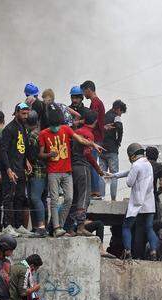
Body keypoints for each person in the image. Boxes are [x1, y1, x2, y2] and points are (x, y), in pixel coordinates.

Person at [38, 104, 101, 237]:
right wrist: (49, 155)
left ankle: (59, 225)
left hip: (67, 171)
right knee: (54, 200)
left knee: (69, 198)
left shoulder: (66, 129)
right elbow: (41, 154)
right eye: (53, 125)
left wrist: (92, 144)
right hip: (53, 171)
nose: (56, 127)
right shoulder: (43, 133)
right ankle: (56, 228)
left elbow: (79, 139)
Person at [107, 143, 158, 259]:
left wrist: (116, 177)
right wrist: (114, 175)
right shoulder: (148, 164)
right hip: (149, 203)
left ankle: (128, 252)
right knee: (149, 228)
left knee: (126, 227)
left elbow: (129, 182)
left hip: (137, 202)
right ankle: (153, 252)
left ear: (132, 155)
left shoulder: (136, 165)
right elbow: (129, 171)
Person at [69, 110, 104, 236]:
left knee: (75, 197)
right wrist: (97, 168)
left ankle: (69, 227)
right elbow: (87, 153)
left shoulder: (77, 131)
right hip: (83, 166)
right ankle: (81, 226)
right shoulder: (89, 134)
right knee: (84, 197)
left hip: (73, 167)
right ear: (94, 122)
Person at [2, 103, 31, 230]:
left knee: (20, 197)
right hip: (11, 170)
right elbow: (3, 151)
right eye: (23, 114)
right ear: (17, 112)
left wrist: (26, 162)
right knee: (9, 198)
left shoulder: (23, 128)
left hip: (20, 169)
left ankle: (19, 226)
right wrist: (8, 169)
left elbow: (22, 148)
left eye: (27, 114)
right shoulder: (9, 129)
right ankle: (8, 226)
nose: (25, 116)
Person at [81, 80, 106, 199]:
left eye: (84, 91)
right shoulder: (97, 102)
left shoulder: (95, 103)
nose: (83, 94)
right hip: (97, 136)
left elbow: (94, 119)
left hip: (95, 137)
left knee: (92, 163)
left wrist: (80, 122)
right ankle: (95, 190)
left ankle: (95, 191)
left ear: (89, 90)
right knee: (92, 162)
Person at [100, 100, 126, 201]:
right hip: (112, 150)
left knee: (102, 174)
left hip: (102, 149)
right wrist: (118, 141)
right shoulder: (116, 117)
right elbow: (120, 128)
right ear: (118, 109)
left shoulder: (104, 116)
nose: (121, 114)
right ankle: (113, 199)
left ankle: (100, 197)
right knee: (114, 174)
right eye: (121, 112)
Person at [146, 147, 162, 222]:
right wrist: (157, 193)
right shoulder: (159, 167)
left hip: (140, 198)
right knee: (154, 223)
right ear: (157, 156)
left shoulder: (141, 165)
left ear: (146, 155)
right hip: (153, 198)